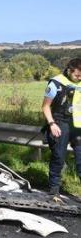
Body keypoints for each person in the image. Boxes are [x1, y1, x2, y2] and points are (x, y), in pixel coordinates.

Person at [42, 58, 81, 195]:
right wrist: (51, 124)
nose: (79, 78)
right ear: (70, 71)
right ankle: (54, 191)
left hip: (78, 126)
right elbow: (45, 106)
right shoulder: (56, 83)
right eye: (77, 75)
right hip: (60, 123)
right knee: (58, 157)